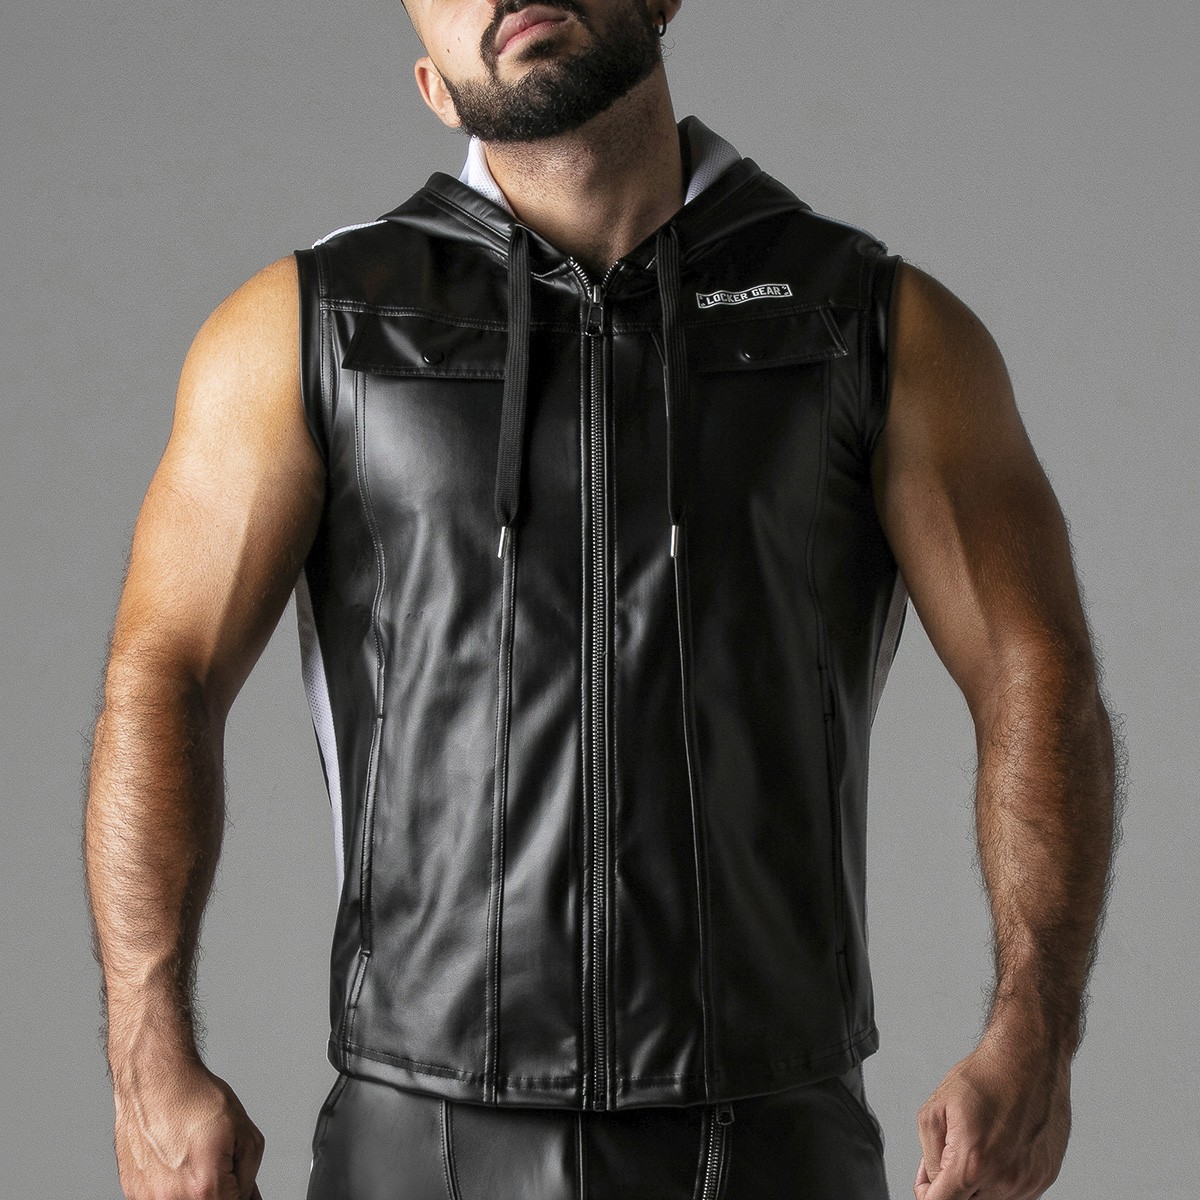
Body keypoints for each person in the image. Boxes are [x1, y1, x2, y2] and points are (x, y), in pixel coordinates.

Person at [83, 2, 1120, 1198]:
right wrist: (146, 1051)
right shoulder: (310, 329)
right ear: (433, 84)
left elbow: (1034, 673)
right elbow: (163, 672)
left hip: (769, 1139)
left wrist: (1037, 1026)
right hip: (419, 1150)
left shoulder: (869, 323)